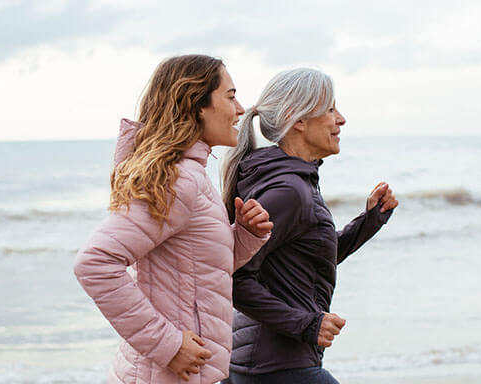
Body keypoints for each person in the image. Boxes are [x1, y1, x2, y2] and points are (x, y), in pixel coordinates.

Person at [74, 54, 273, 384]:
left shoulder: (191, 175)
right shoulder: (179, 180)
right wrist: (166, 344)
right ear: (197, 105)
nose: (240, 109)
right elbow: (95, 263)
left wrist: (245, 236)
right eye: (230, 96)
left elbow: (196, 272)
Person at [220, 68, 398, 384]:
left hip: (265, 364)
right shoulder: (288, 191)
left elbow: (305, 261)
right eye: (330, 108)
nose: (340, 119)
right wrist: (306, 324)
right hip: (275, 367)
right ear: (298, 119)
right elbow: (230, 275)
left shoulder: (294, 182)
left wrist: (368, 222)